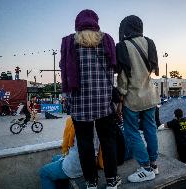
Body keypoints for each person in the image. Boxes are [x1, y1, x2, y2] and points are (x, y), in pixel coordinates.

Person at [60, 9, 120, 189]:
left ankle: (91, 182)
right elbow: (113, 67)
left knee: (85, 145)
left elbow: (64, 71)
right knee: (108, 142)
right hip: (104, 101)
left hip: (79, 102)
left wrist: (67, 97)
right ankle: (111, 181)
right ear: (96, 22)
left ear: (78, 23)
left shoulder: (69, 41)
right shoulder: (107, 39)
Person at [116, 15, 160, 183]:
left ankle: (145, 168)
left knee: (132, 132)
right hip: (150, 96)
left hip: (132, 99)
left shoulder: (122, 46)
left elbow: (123, 77)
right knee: (151, 129)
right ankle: (154, 164)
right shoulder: (150, 42)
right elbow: (151, 70)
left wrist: (120, 97)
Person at [39, 117, 83, 189]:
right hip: (92, 161)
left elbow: (66, 144)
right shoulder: (100, 121)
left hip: (78, 165)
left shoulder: (72, 120)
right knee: (55, 158)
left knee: (44, 171)